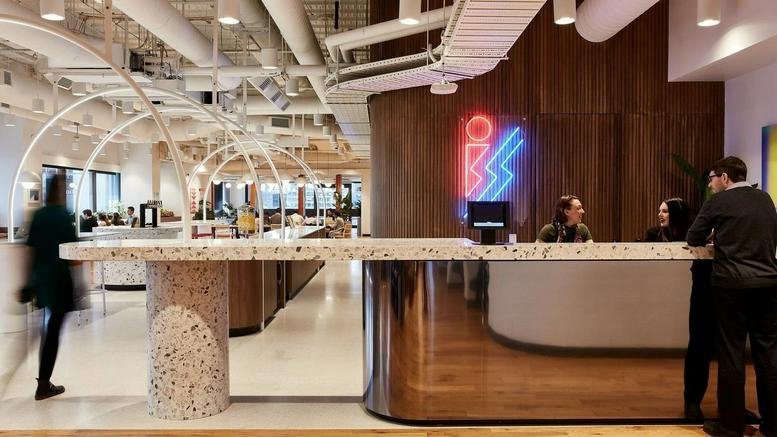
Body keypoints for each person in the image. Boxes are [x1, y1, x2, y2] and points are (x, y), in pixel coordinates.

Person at [687, 156, 777, 437]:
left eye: (713, 178)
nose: (712, 184)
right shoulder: (765, 199)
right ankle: (773, 424)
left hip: (731, 286)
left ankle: (731, 424)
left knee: (731, 353)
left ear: (725, 177)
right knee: (769, 355)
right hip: (768, 284)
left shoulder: (719, 202)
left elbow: (693, 237)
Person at [644, 198, 715, 420]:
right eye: (659, 210)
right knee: (699, 345)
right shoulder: (652, 233)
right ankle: (692, 402)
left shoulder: (694, 232)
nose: (660, 214)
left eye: (665, 211)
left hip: (710, 289)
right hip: (706, 290)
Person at [22, 173, 77, 400]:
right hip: (59, 280)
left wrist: (27, 281)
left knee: (47, 331)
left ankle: (43, 381)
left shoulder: (38, 215)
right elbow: (73, 255)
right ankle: (43, 384)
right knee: (52, 332)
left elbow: (30, 250)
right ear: (60, 191)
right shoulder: (63, 216)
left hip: (40, 280)